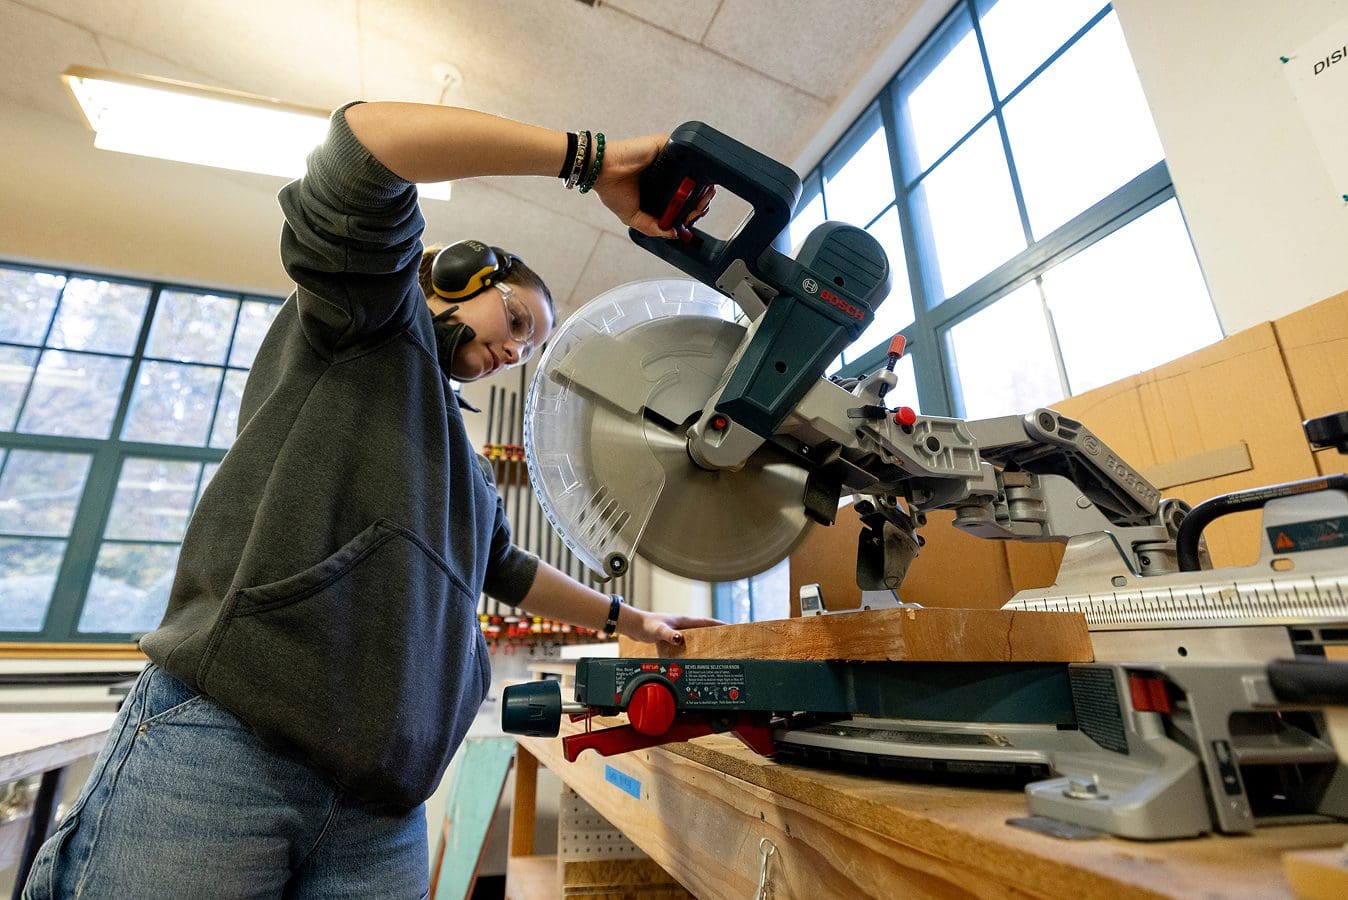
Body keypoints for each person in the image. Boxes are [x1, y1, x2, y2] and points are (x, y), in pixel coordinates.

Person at [23, 100, 719, 899]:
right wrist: (591, 158)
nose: (512, 351)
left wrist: (633, 622)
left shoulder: (464, 460)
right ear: (458, 274)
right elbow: (365, 142)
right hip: (230, 749)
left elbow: (503, 566)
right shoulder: (367, 316)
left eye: (525, 351)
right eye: (516, 319)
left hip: (386, 805)